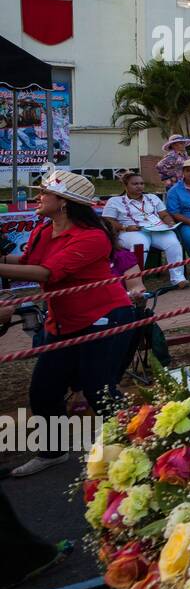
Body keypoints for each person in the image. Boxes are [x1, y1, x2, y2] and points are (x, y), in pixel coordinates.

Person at [0, 170, 136, 477]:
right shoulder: (43, 231)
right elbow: (29, 264)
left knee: (97, 388)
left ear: (64, 202)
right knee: (43, 390)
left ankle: (137, 442)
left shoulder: (93, 237)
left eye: (45, 193)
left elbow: (48, 273)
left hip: (104, 317)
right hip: (63, 322)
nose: (38, 197)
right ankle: (53, 452)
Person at [102, 173, 188, 288]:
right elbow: (108, 221)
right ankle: (136, 282)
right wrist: (125, 227)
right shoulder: (115, 201)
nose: (139, 186)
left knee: (173, 242)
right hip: (131, 231)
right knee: (140, 243)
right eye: (135, 184)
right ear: (125, 185)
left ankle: (178, 279)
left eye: (141, 183)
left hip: (156, 229)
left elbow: (164, 214)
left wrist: (169, 222)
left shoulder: (152, 198)